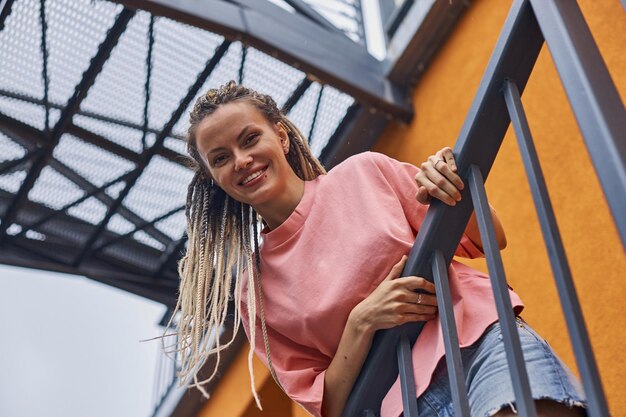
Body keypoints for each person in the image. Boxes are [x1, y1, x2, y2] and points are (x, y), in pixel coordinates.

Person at [168, 81, 586, 417]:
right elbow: (324, 403)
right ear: (213, 177)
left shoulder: (363, 173)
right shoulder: (253, 291)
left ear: (280, 135)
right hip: (403, 404)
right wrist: (360, 323)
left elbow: (490, 238)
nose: (241, 160)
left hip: (481, 344)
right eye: (221, 157)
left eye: (250, 138)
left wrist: (451, 184)